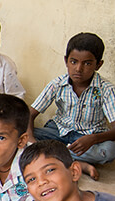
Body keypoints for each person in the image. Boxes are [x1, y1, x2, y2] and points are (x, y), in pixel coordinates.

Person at [28, 32, 115, 181]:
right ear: (66, 61)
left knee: (109, 152)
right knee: (19, 136)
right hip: (57, 132)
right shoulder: (57, 84)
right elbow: (29, 114)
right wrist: (30, 139)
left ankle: (50, 154)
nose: (78, 69)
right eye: (73, 62)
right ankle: (78, 163)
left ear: (98, 65)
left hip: (88, 138)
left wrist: (93, 139)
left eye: (87, 63)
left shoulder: (106, 89)